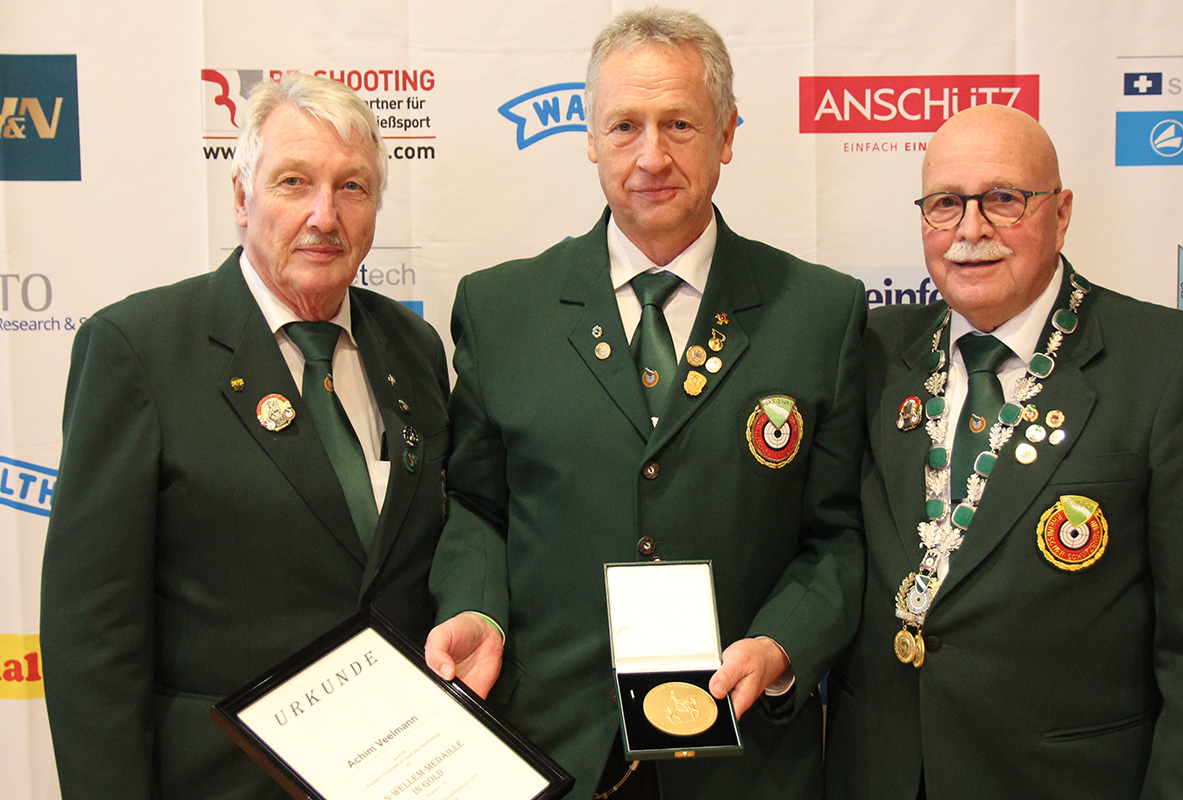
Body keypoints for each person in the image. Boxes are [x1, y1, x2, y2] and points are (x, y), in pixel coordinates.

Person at [425, 7, 866, 799]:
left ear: (728, 136)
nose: (650, 156)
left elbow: (837, 536)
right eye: (624, 126)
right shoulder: (501, 309)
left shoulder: (819, 313)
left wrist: (781, 644)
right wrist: (478, 611)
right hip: (553, 747)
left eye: (680, 125)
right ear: (591, 139)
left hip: (745, 758)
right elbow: (478, 511)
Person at [824, 103, 1183, 799]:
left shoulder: (1169, 366)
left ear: (1061, 214)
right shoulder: (872, 351)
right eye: (945, 204)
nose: (971, 230)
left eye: (1003, 199)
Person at [40, 72, 450, 799]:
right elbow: (91, 639)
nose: (325, 215)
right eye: (294, 182)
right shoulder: (139, 349)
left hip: (397, 773)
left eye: (352, 188)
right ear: (240, 196)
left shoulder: (413, 349)